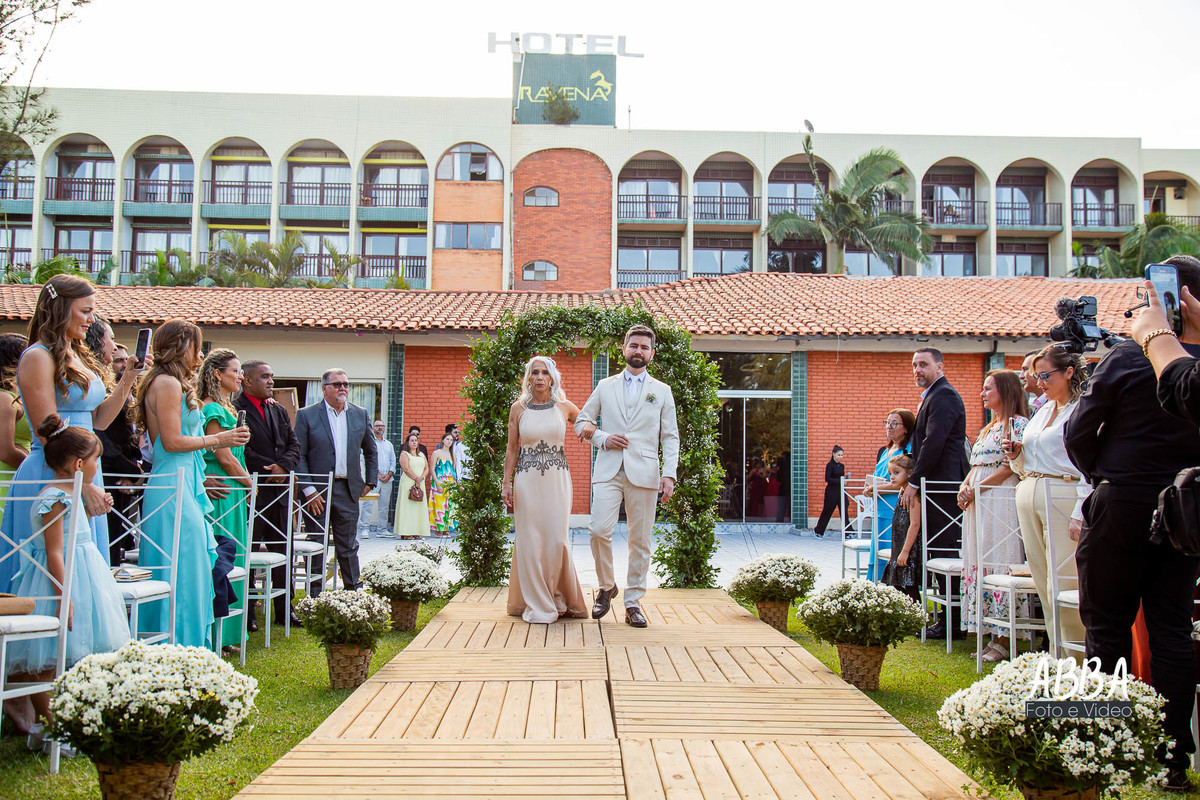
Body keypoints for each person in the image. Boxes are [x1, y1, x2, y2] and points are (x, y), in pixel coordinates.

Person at [1068, 255, 1200, 791]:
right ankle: (1173, 758)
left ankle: (1108, 746)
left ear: (1174, 299)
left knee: (1106, 628)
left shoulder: (1128, 356)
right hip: (1187, 508)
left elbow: (1080, 430)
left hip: (1123, 502)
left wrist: (1105, 476)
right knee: (1172, 631)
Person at [0, 275, 144, 595]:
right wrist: (81, 483)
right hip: (55, 472)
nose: (91, 319)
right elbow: (47, 429)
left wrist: (127, 380)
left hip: (84, 469)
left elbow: (99, 421)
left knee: (84, 568)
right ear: (61, 309)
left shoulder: (76, 355)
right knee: (52, 569)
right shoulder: (38, 356)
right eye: (85, 311)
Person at [7, 414, 130, 737]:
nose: (97, 467)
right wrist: (64, 595)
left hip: (86, 574)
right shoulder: (54, 498)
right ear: (78, 464)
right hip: (60, 579)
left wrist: (93, 506)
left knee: (80, 649)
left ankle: (74, 720)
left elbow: (77, 530)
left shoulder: (71, 492)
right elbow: (54, 552)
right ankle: (53, 726)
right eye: (95, 460)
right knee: (47, 658)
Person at [133, 320, 249, 648]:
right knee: (183, 568)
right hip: (174, 482)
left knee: (193, 565)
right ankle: (176, 644)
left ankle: (186, 644)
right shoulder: (166, 383)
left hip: (185, 479)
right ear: (182, 347)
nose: (199, 355)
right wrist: (219, 439)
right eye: (197, 347)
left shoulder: (173, 383)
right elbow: (170, 442)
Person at [575, 325, 680, 628]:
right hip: (608, 469)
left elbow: (670, 436)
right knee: (598, 530)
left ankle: (633, 602)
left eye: (644, 347)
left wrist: (669, 475)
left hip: (645, 472)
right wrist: (603, 438)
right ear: (623, 349)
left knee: (640, 540)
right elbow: (581, 421)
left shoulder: (662, 391)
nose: (638, 351)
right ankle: (607, 587)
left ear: (652, 353)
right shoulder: (605, 385)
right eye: (633, 345)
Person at [1006, 345, 1090, 659]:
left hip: (1062, 493)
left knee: (1064, 579)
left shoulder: (1081, 409)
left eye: (1045, 375)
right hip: (1030, 489)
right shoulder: (1042, 411)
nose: (1039, 382)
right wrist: (1017, 454)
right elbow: (1028, 460)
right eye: (1036, 376)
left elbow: (1087, 463)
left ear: (1068, 372)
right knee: (1042, 579)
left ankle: (1076, 656)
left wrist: (1080, 510)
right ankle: (1056, 652)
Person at [502, 355, 588, 623]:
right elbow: (511, 448)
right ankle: (537, 602)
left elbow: (586, 424)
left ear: (552, 377)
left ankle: (558, 597)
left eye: (544, 372)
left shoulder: (565, 407)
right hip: (526, 481)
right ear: (529, 377)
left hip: (557, 480)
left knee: (555, 539)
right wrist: (506, 483)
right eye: (535, 372)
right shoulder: (518, 409)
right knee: (530, 541)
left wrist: (595, 432)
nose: (539, 377)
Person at [957, 370, 1029, 662]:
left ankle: (1006, 637)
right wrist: (965, 487)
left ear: (1005, 391)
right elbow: (976, 465)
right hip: (979, 499)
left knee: (1000, 555)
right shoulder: (988, 428)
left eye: (988, 389)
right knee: (981, 556)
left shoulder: (1017, 424)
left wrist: (977, 489)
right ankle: (990, 631)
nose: (982, 394)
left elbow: (1010, 466)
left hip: (999, 499)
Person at [903, 347, 969, 640]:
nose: (917, 370)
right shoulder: (933, 395)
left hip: (944, 485)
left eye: (923, 364)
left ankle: (953, 622)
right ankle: (947, 618)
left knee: (945, 551)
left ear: (940, 367)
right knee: (937, 551)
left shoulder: (944, 396)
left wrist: (915, 481)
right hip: (936, 484)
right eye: (914, 365)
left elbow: (934, 442)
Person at [295, 368, 377, 591]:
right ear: (324, 389)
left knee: (348, 544)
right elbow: (298, 455)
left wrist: (370, 481)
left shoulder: (360, 414)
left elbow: (371, 450)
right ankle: (315, 596)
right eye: (337, 384)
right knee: (316, 544)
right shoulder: (307, 415)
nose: (343, 388)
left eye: (346, 384)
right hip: (317, 492)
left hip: (347, 489)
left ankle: (353, 592)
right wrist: (309, 490)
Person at [234, 361, 301, 628]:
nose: (271, 381)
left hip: (281, 492)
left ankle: (285, 610)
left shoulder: (279, 410)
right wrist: (270, 467)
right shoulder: (236, 409)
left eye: (272, 376)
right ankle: (249, 612)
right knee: (249, 551)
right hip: (254, 490)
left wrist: (283, 466)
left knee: (284, 550)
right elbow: (242, 450)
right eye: (264, 377)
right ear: (247, 380)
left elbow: (294, 444)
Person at [199, 348, 251, 654]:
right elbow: (225, 458)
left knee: (234, 559)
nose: (240, 376)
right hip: (222, 489)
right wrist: (251, 484)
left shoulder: (226, 408)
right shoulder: (212, 411)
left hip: (232, 488)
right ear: (218, 374)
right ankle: (217, 632)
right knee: (223, 559)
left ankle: (229, 634)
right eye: (235, 371)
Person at [90, 333, 141, 567]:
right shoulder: (101, 390)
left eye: (123, 359)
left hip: (121, 470)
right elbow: (102, 434)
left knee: (115, 536)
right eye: (117, 359)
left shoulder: (128, 393)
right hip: (107, 468)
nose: (121, 364)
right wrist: (131, 471)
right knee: (107, 534)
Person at [861, 409, 914, 580]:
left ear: (906, 428)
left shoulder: (908, 450)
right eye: (887, 423)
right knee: (877, 550)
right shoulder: (887, 450)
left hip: (896, 506)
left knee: (890, 550)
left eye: (895, 423)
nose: (889, 427)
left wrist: (878, 488)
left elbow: (905, 481)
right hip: (879, 507)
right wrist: (870, 487)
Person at [880, 454, 922, 602]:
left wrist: (905, 551)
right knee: (896, 581)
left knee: (909, 584)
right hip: (899, 543)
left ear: (909, 473)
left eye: (896, 473)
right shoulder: (903, 493)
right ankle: (909, 609)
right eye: (890, 473)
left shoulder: (913, 497)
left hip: (910, 547)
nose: (892, 477)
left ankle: (916, 611)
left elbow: (915, 524)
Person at [0, 333, 31, 505]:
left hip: (17, 474)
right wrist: (34, 466)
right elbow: (4, 451)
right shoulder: (4, 398)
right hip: (6, 476)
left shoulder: (17, 395)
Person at [358, 420, 396, 538]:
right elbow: (367, 461)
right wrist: (378, 474)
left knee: (384, 506)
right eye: (377, 426)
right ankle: (364, 529)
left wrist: (389, 474)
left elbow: (393, 461)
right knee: (368, 504)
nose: (380, 428)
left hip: (388, 480)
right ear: (372, 428)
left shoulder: (389, 444)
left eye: (382, 426)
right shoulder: (369, 443)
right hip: (373, 479)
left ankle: (382, 530)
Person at [394, 432, 429, 539]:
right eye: (412, 440)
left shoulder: (421, 454)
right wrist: (416, 478)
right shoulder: (404, 454)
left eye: (416, 440)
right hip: (408, 482)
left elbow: (426, 468)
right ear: (407, 443)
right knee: (407, 507)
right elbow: (406, 468)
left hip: (420, 483)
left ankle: (416, 531)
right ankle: (405, 532)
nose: (414, 442)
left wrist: (421, 478)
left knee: (418, 508)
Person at [812, 446, 847, 538]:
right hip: (831, 491)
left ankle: (848, 532)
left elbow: (842, 477)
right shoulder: (830, 465)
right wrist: (840, 481)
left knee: (844, 510)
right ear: (833, 454)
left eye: (842, 455)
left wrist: (844, 480)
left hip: (840, 490)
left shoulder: (842, 466)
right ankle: (818, 531)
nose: (840, 457)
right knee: (827, 511)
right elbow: (827, 478)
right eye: (839, 455)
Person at [428, 431, 458, 537]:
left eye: (451, 440)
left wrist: (455, 484)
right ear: (443, 440)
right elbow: (432, 469)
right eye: (447, 439)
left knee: (449, 506)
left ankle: (446, 529)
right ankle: (438, 530)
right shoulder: (436, 453)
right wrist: (437, 483)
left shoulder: (453, 454)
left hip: (450, 484)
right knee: (439, 505)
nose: (449, 441)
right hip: (439, 482)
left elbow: (453, 470)